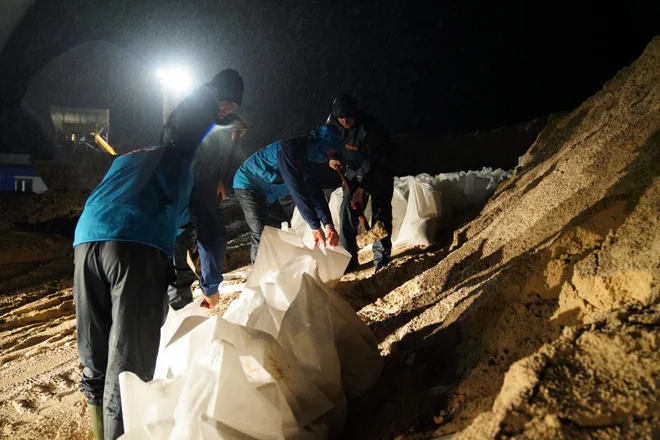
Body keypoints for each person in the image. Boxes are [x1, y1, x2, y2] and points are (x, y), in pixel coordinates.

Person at [72, 68, 244, 440]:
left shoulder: (138, 157)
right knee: (129, 364)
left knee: (94, 350)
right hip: (136, 245)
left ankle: (101, 430)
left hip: (86, 240)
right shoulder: (188, 167)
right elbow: (211, 233)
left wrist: (178, 281)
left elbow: (171, 236)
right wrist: (211, 284)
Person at [163, 92, 248, 311]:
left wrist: (216, 179)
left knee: (183, 240)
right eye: (227, 103)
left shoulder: (200, 118)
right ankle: (180, 307)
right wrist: (211, 287)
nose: (229, 109)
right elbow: (212, 237)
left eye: (234, 107)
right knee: (182, 244)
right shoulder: (194, 119)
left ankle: (181, 302)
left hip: (187, 187)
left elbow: (208, 152)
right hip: (182, 193)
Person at [233, 124, 341, 263]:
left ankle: (280, 268)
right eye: (332, 149)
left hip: (269, 191)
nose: (333, 154)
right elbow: (297, 189)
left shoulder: (310, 159)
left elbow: (315, 192)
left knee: (282, 226)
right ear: (322, 143)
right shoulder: (291, 149)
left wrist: (328, 224)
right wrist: (314, 226)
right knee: (262, 230)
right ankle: (259, 275)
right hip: (249, 182)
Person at [326, 94, 395, 273]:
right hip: (353, 169)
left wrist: (362, 188)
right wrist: (332, 157)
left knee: (381, 214)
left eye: (347, 118)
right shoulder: (333, 123)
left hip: (379, 169)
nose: (344, 122)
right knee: (347, 210)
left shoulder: (371, 128)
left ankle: (381, 259)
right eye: (340, 118)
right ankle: (349, 260)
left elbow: (374, 161)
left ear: (355, 114)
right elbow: (327, 141)